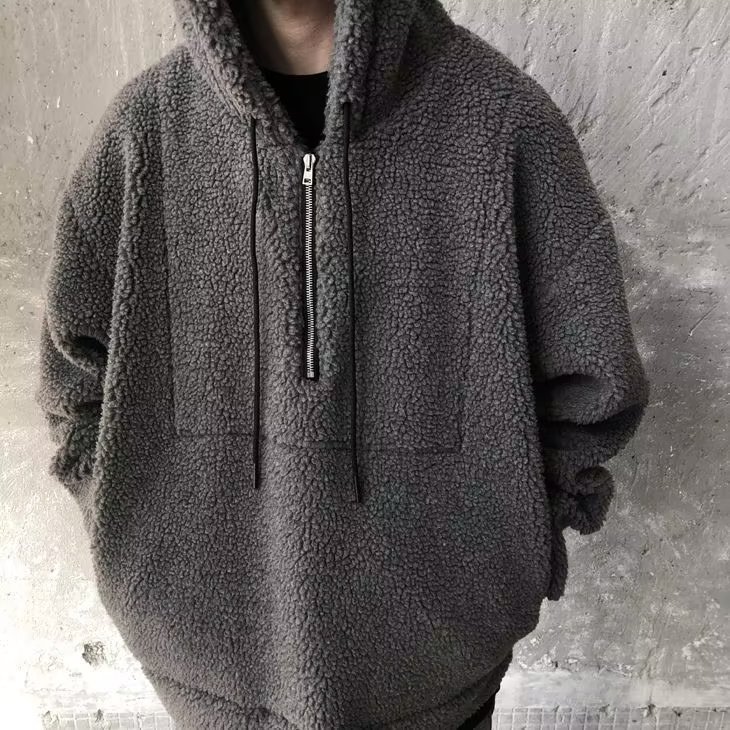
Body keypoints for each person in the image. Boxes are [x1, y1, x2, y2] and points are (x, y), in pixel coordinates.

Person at [33, 0, 650, 728]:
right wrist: (147, 548)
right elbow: (75, 380)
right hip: (203, 683)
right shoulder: (144, 133)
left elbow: (591, 375)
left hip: (442, 684)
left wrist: (503, 549)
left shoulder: (501, 122)